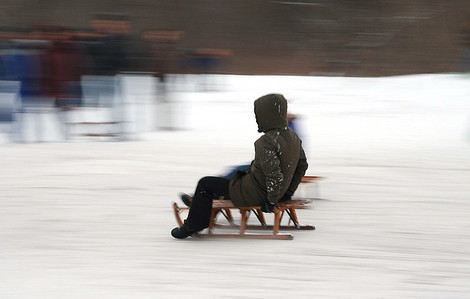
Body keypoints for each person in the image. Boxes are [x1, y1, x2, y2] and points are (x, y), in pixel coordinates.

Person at [171, 93, 308, 239]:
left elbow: (274, 174)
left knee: (205, 183)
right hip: (267, 190)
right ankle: (201, 209)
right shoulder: (293, 137)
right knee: (230, 178)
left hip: (255, 193)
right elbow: (302, 166)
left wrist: (271, 200)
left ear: (266, 115)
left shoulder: (266, 141)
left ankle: (193, 225)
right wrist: (287, 192)